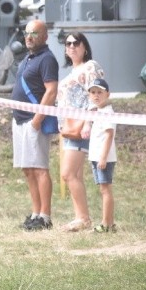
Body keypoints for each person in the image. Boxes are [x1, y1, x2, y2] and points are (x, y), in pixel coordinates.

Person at [11, 19, 59, 231]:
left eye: (35, 33)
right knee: (28, 169)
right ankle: (35, 212)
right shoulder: (28, 58)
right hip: (19, 120)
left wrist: (37, 120)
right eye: (27, 33)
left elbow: (51, 91)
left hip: (33, 122)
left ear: (45, 36)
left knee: (40, 168)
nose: (29, 37)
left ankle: (45, 216)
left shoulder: (47, 59)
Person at [56, 32, 104, 232]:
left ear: (84, 46)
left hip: (82, 127)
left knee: (67, 174)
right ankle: (80, 217)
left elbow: (96, 95)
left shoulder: (90, 67)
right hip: (69, 128)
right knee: (75, 174)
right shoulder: (72, 72)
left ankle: (83, 218)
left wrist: (87, 123)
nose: (72, 46)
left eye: (76, 43)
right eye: (68, 44)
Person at [86, 78, 118, 233]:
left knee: (105, 190)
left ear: (108, 94)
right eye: (93, 92)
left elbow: (109, 136)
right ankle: (110, 224)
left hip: (103, 158)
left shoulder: (107, 113)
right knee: (104, 189)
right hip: (96, 157)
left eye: (100, 92)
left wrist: (103, 157)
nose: (96, 95)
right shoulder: (98, 112)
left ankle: (105, 224)